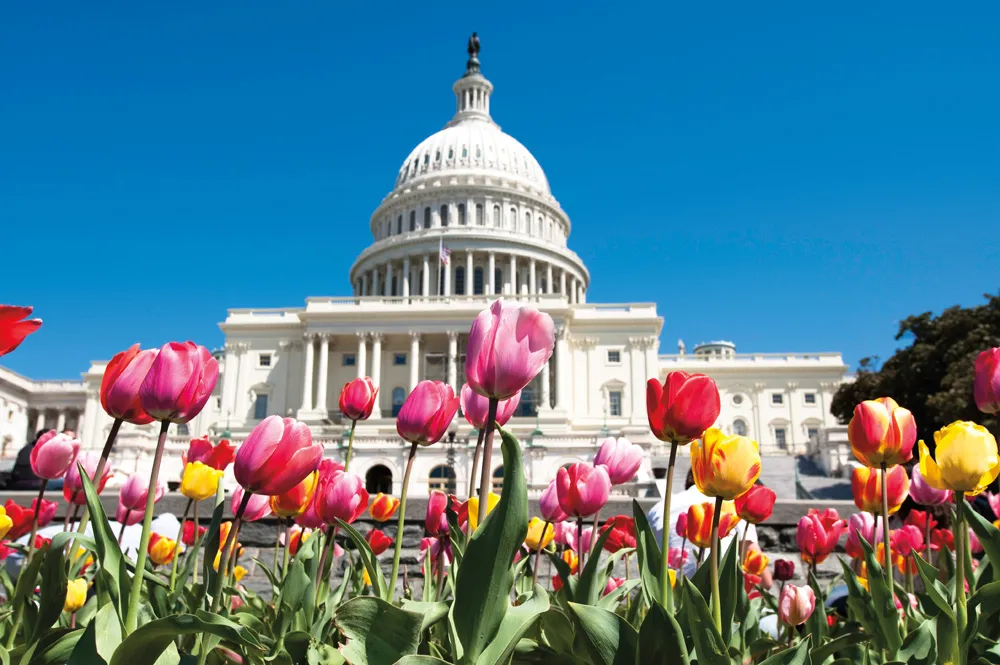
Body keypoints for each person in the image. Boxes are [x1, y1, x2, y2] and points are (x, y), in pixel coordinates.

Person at [647, 468, 759, 578]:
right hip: (721, 591)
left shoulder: (659, 508)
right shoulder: (734, 508)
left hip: (668, 589)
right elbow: (757, 567)